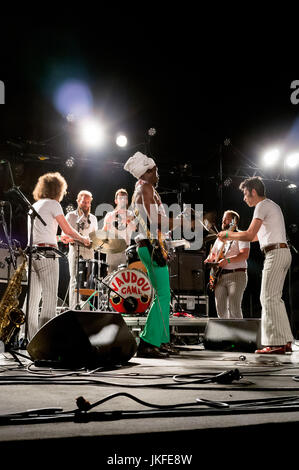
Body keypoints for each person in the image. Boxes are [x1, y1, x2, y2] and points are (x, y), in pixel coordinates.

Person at [217, 176, 293, 354]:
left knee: (267, 298)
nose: (244, 198)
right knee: (275, 298)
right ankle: (284, 340)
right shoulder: (271, 205)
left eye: (245, 194)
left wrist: (228, 235)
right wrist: (233, 234)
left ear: (253, 192)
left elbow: (250, 236)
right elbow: (256, 236)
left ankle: (276, 344)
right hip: (281, 252)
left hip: (276, 253)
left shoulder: (262, 205)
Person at [124, 152, 184, 358]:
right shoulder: (145, 188)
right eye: (155, 171)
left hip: (151, 245)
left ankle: (162, 341)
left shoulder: (144, 189)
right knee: (162, 295)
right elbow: (155, 222)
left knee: (164, 296)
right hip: (149, 246)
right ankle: (148, 342)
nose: (158, 174)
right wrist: (184, 222)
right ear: (147, 172)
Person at [24, 172, 90, 341]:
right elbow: (68, 229)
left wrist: (61, 238)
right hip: (47, 255)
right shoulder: (54, 204)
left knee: (31, 302)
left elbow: (44, 234)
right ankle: (46, 341)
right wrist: (83, 239)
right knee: (49, 299)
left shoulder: (35, 206)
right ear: (58, 189)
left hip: (32, 255)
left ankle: (29, 340)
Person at [204, 210, 250, 319]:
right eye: (223, 218)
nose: (223, 220)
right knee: (221, 310)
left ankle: (239, 335)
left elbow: (244, 255)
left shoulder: (241, 235)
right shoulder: (219, 239)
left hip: (236, 275)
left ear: (234, 221)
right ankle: (227, 336)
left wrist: (227, 261)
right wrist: (208, 260)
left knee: (234, 308)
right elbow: (212, 255)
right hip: (219, 277)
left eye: (227, 218)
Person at [63, 190, 98, 309]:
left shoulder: (93, 218)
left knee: (88, 282)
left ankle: (86, 310)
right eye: (83, 202)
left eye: (88, 202)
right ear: (78, 201)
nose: (86, 205)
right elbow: (65, 236)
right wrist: (80, 239)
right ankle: (74, 308)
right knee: (75, 281)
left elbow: (95, 236)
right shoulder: (71, 216)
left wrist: (92, 241)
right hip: (75, 249)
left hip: (89, 251)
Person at [102, 188, 136, 274]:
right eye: (120, 198)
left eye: (125, 198)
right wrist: (111, 219)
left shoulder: (131, 214)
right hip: (112, 249)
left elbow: (134, 228)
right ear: (116, 201)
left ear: (127, 201)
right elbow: (104, 231)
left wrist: (127, 220)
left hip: (125, 250)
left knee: (125, 277)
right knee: (111, 277)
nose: (123, 200)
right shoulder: (109, 214)